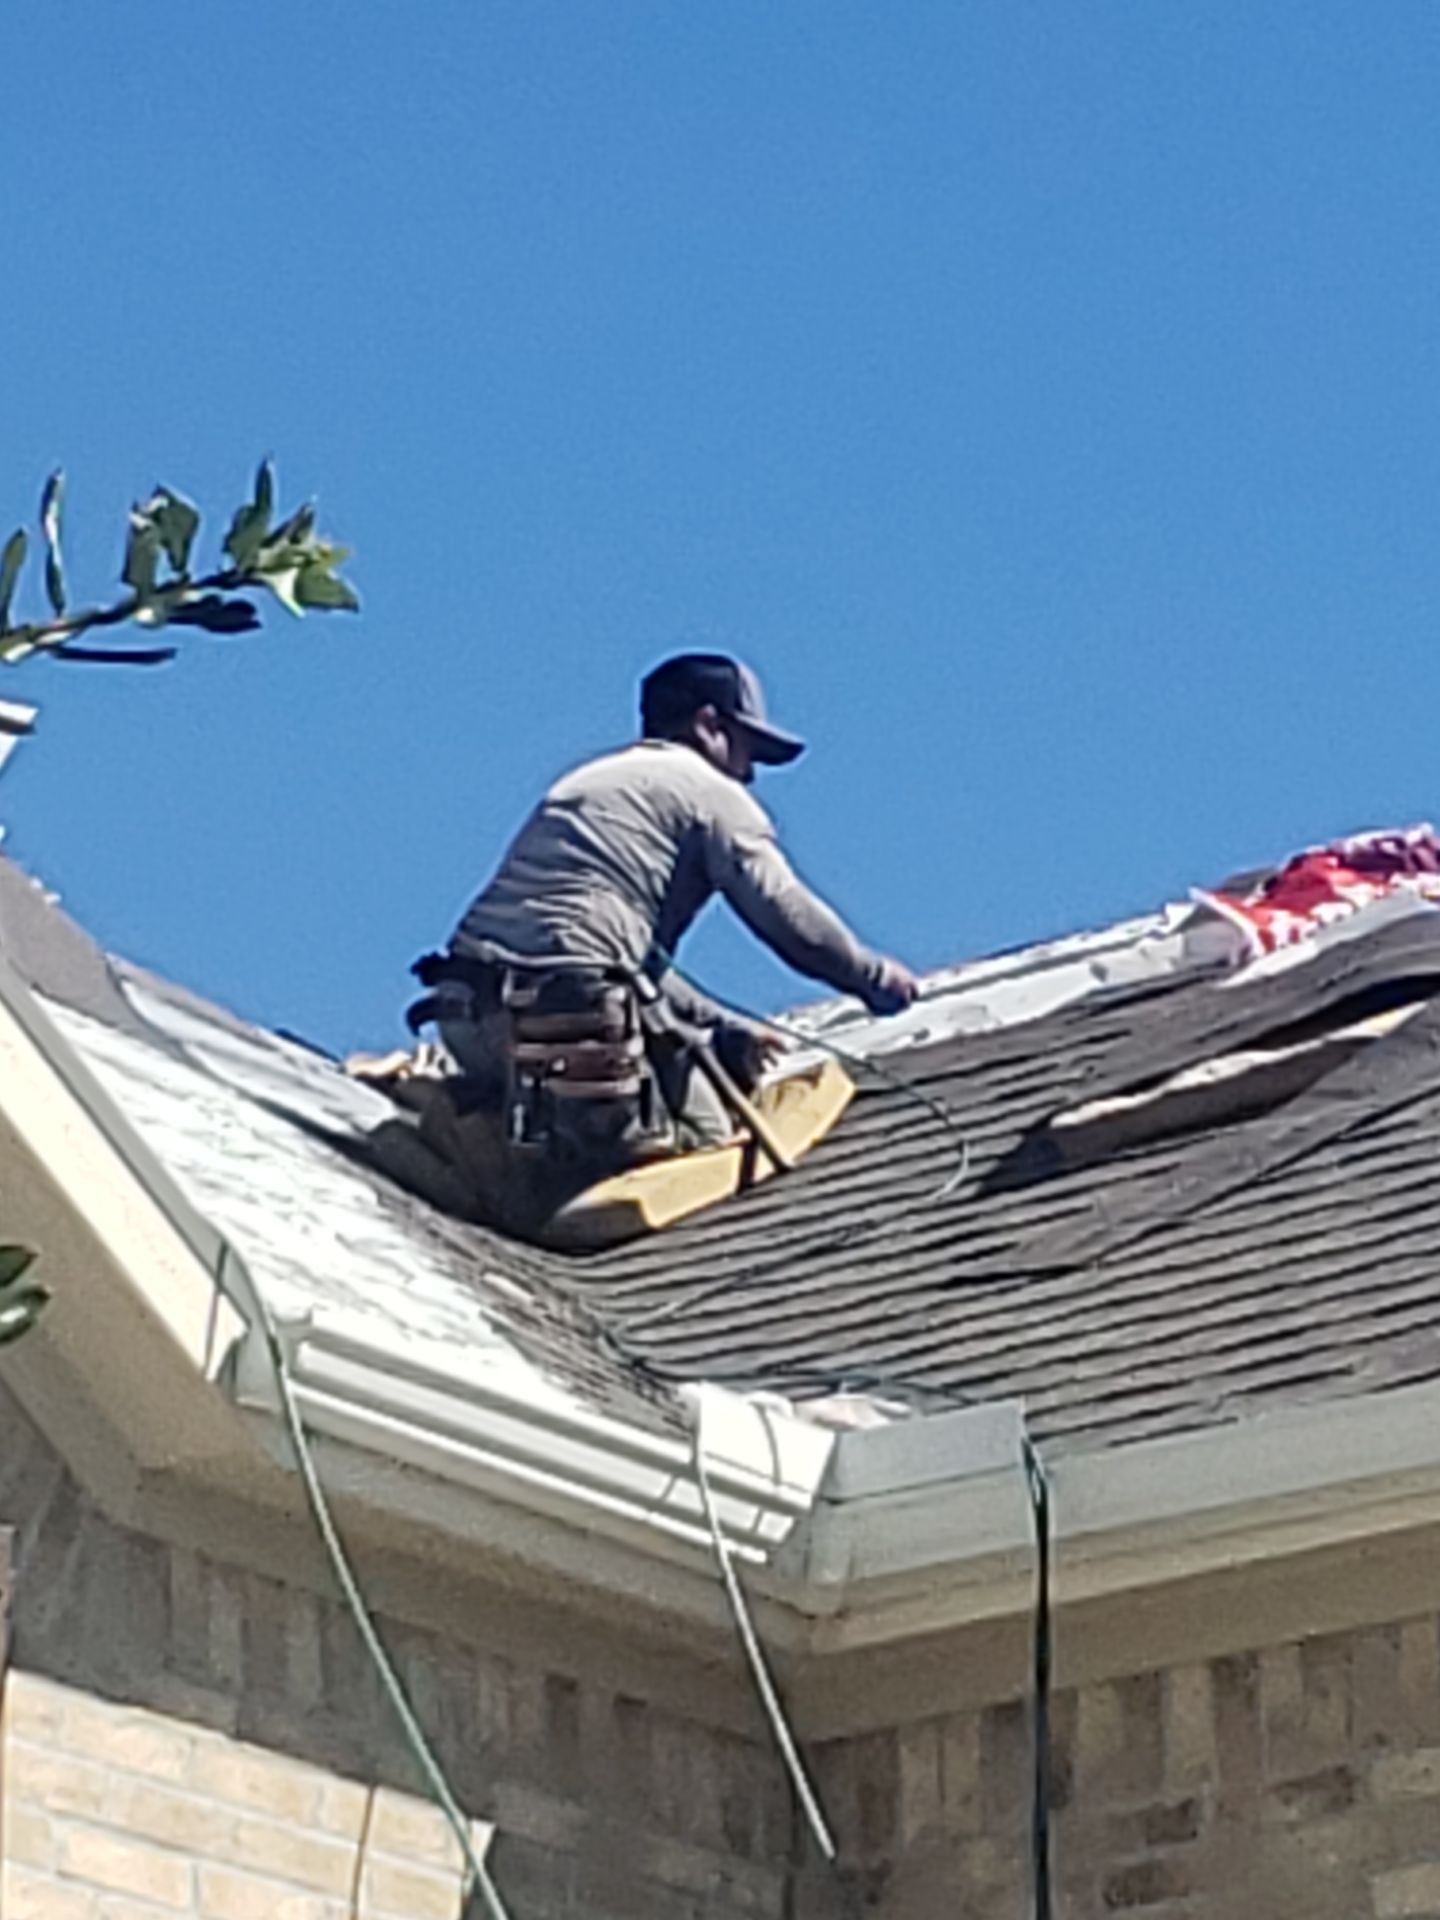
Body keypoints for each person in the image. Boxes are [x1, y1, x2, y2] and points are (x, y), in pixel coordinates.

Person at [417, 653, 919, 1150]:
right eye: (748, 751)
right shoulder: (708, 792)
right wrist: (872, 978)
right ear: (708, 725)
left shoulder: (592, 782)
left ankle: (487, 1132)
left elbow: (623, 963)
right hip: (565, 1024)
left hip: (464, 1014)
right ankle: (558, 1162)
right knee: (705, 1137)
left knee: (656, 1066)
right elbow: (787, 918)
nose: (749, 774)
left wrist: (722, 1026)